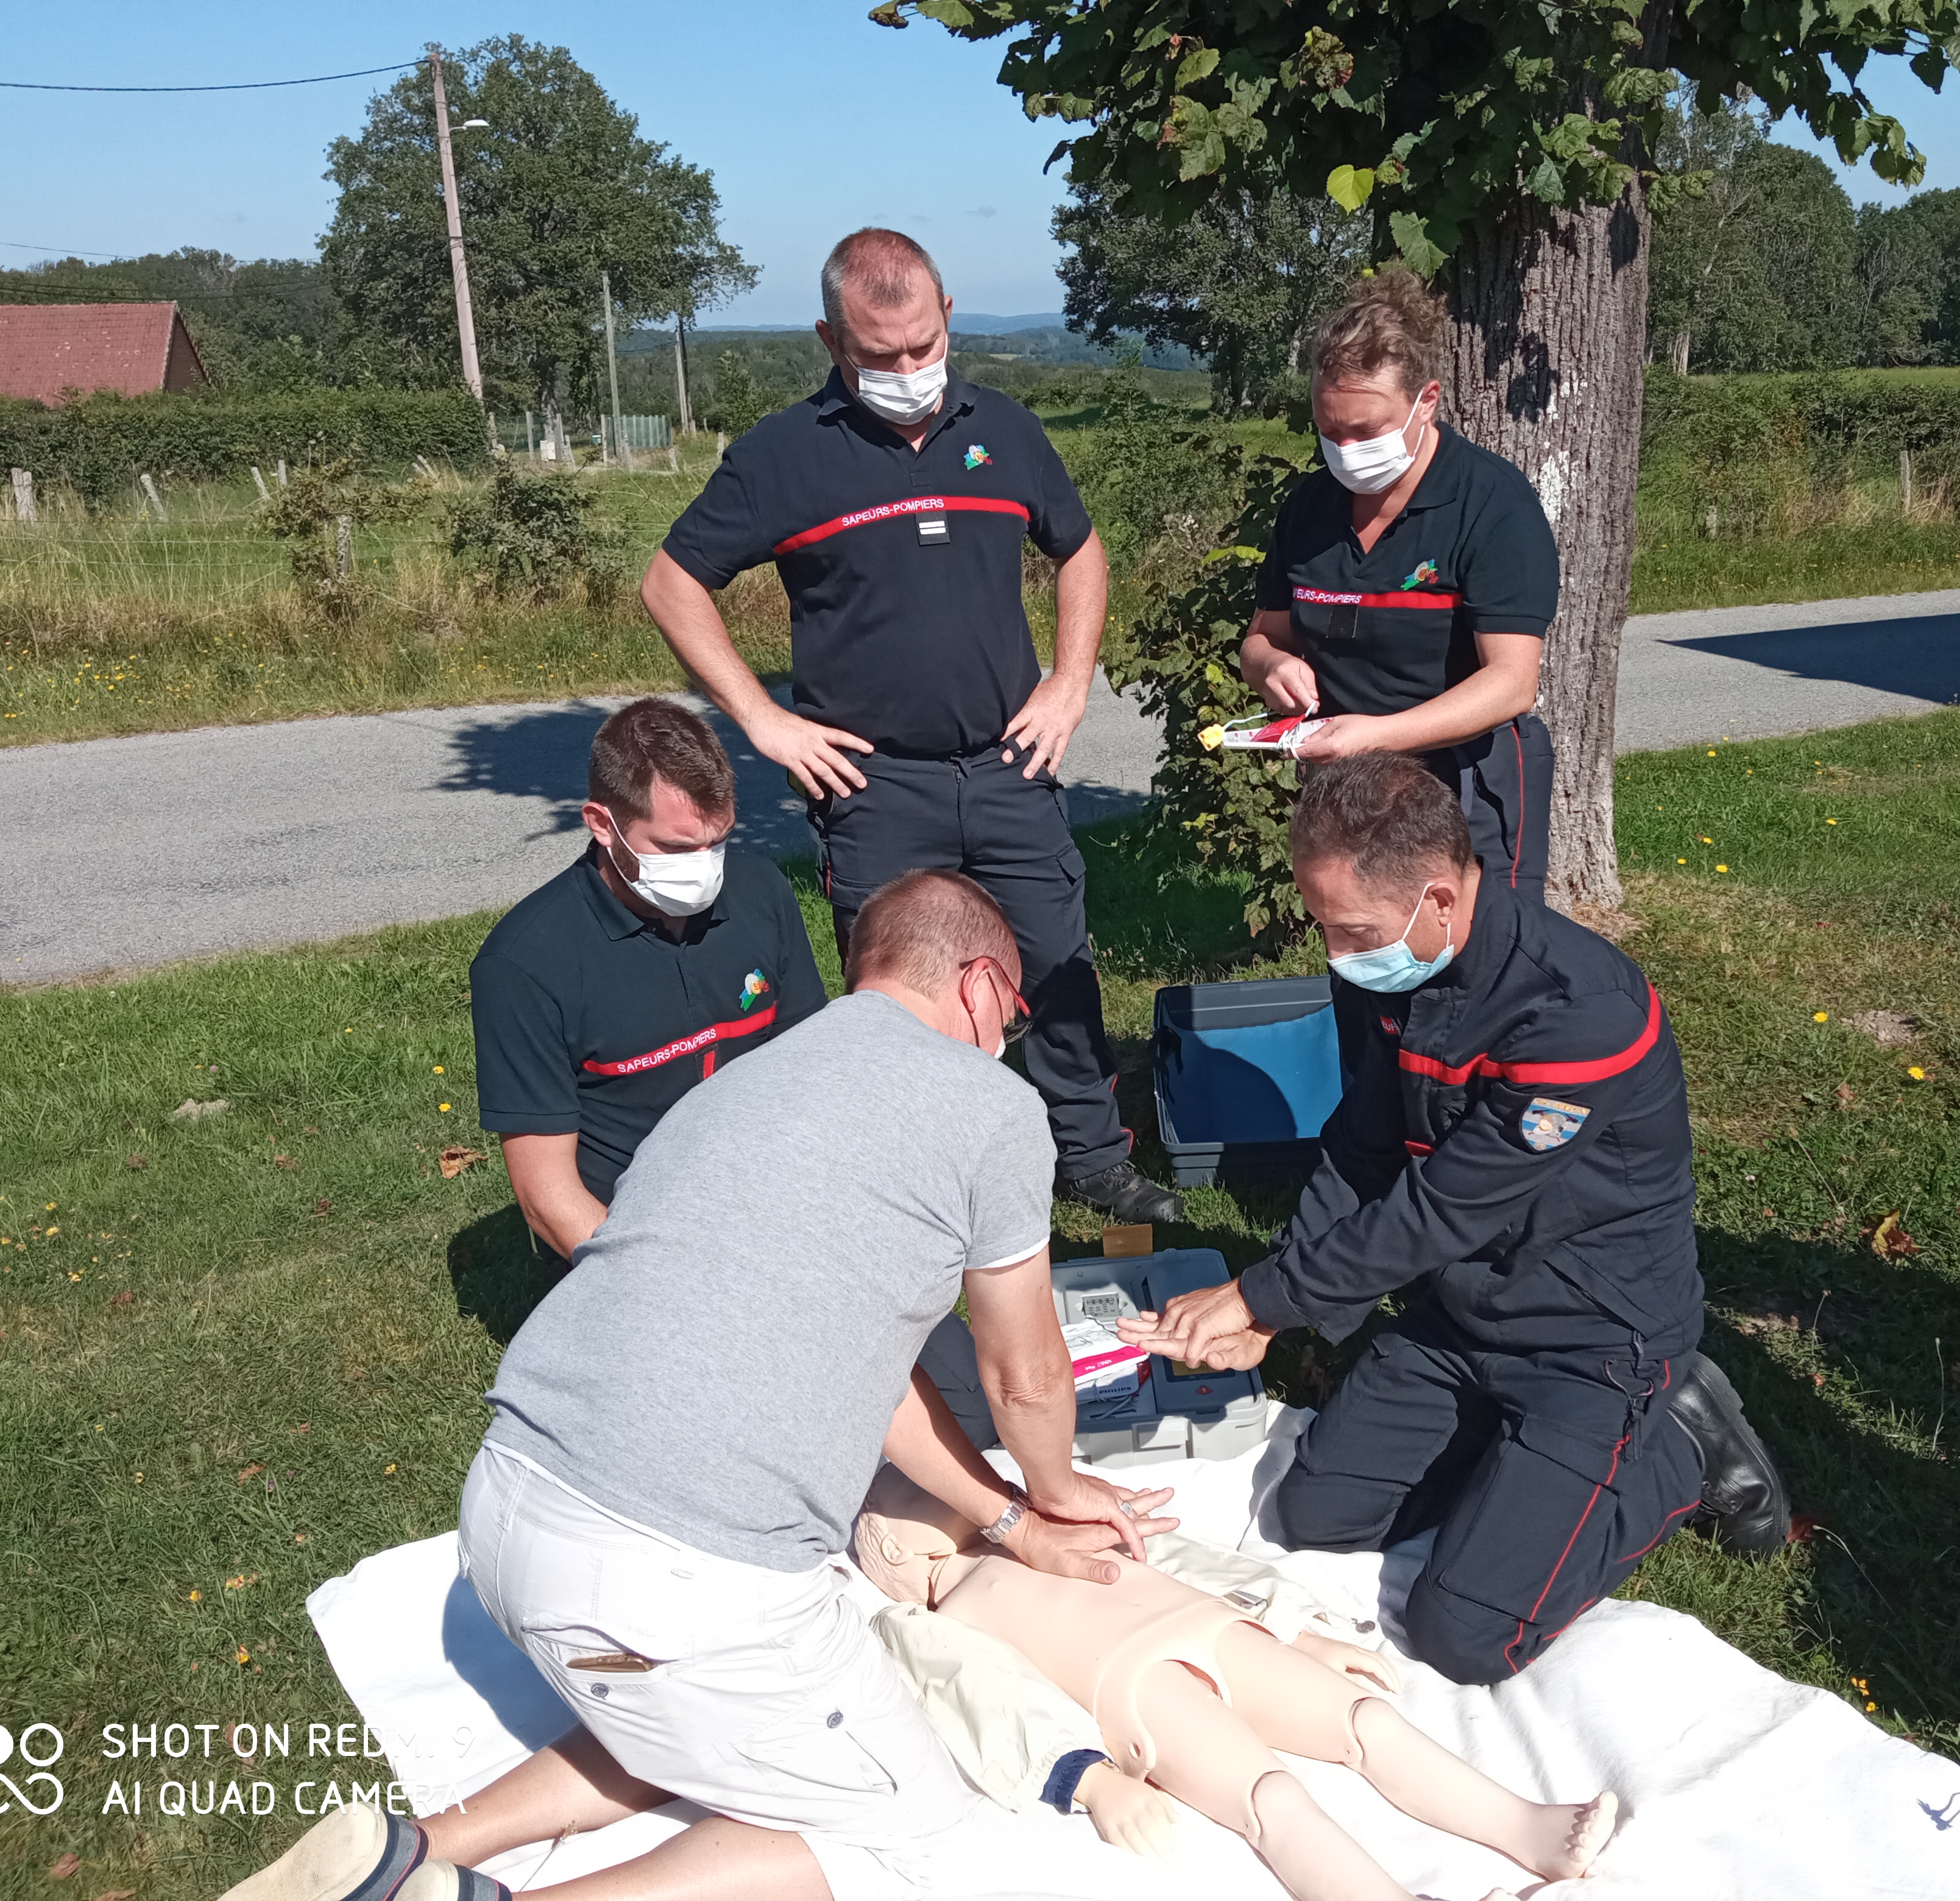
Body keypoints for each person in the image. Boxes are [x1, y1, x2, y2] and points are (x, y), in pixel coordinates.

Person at [221, 870, 1180, 1901]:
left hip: (508, 1527)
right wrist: (1057, 1483)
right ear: (984, 984)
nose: (1009, 1037)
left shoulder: (740, 1089)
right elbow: (1024, 1369)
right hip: (665, 1598)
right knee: (917, 1842)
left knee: (698, 1726)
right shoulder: (990, 1105)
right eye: (1015, 1015)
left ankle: (412, 1852)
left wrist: (1006, 1523)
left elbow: (877, 1384)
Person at [1120, 754, 1789, 1686]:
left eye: (1349, 931)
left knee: (1466, 1633)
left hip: (1594, 1339)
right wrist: (1284, 1308)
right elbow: (1363, 1150)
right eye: (1324, 928)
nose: (1336, 955)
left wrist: (1258, 1298)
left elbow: (1442, 1208)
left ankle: (1678, 1447)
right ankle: (1519, 1477)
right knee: (1312, 1518)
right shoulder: (1388, 972)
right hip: (1461, 1320)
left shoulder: (1576, 1015)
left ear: (1438, 899)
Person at [640, 226, 1181, 1225]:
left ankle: (1093, 1158)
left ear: (947, 321)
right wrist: (763, 721)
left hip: (1010, 764)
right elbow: (672, 584)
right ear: (830, 341)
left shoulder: (1005, 431)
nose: (909, 372)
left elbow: (1082, 550)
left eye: (925, 345)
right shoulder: (782, 458)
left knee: (1057, 965)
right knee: (899, 998)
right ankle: (925, 1177)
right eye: (880, 356)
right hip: (875, 787)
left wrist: (1069, 685)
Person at [851, 1465, 1622, 1901]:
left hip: (1204, 1625)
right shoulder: (933, 1619)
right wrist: (1084, 1779)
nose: (946, 1485)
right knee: (1272, 1801)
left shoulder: (1047, 1524)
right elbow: (983, 1700)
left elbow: (1185, 1561)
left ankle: (1528, 1830)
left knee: (1363, 1723)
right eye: (913, 1491)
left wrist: (1295, 1626)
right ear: (891, 1554)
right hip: (1135, 1686)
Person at [468, 696, 824, 1265]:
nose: (706, 867)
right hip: (629, 1237)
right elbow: (548, 1198)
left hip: (767, 1203)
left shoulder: (763, 894)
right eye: (678, 848)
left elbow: (810, 1074)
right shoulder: (525, 965)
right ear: (602, 825)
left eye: (719, 841)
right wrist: (663, 1282)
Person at [1240, 266, 1560, 893]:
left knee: (1477, 960)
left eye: (1366, 431)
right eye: (1329, 431)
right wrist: (1271, 668)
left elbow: (1511, 683)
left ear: (1427, 402)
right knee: (1361, 942)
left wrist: (1379, 737)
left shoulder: (1490, 502)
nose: (1346, 449)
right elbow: (1262, 638)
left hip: (1467, 784)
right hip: (1347, 786)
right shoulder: (1308, 508)